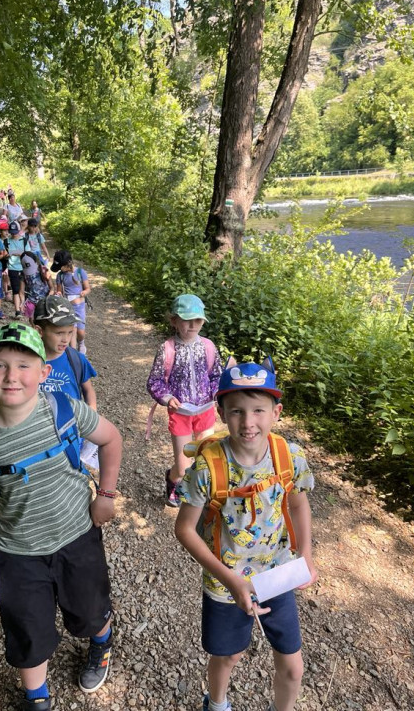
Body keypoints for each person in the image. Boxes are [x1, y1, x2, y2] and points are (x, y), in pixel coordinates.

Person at [0, 323, 122, 710]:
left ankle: (101, 643)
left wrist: (106, 495)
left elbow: (111, 438)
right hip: (19, 552)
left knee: (90, 608)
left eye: (23, 365)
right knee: (27, 629)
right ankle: (37, 698)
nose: (11, 376)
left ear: (44, 372)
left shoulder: (64, 409)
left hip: (77, 535)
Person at [175, 360, 317, 711]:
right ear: (221, 413)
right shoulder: (207, 468)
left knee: (293, 667)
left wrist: (306, 556)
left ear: (276, 413)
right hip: (225, 583)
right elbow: (184, 528)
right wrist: (231, 580)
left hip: (277, 574)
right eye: (237, 411)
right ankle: (217, 703)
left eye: (258, 410)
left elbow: (298, 505)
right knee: (228, 656)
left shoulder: (289, 458)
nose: (248, 422)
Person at [147, 294, 222, 506]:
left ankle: (197, 492)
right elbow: (154, 381)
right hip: (180, 414)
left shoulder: (208, 346)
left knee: (205, 457)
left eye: (197, 320)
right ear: (174, 321)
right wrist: (167, 397)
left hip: (205, 411)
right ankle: (173, 479)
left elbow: (216, 376)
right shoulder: (167, 349)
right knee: (182, 467)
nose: (192, 325)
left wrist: (217, 393)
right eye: (187, 320)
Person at [35, 295, 100, 469]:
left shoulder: (76, 359)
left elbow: (88, 390)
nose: (66, 339)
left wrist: (91, 416)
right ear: (39, 331)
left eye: (70, 332)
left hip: (71, 435)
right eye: (59, 333)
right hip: (38, 436)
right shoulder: (28, 362)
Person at [51, 250, 91, 354]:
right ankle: (73, 353)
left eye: (61, 267)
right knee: (72, 329)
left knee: (80, 332)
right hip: (67, 306)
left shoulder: (80, 272)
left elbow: (87, 288)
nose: (60, 269)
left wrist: (84, 292)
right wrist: (58, 293)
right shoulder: (60, 275)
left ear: (67, 263)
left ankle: (81, 342)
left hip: (79, 306)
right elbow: (59, 290)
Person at [21, 249, 53, 322]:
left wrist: (50, 295)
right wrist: (22, 303)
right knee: (32, 320)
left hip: (44, 301)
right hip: (31, 301)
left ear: (36, 262)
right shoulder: (23, 274)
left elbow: (52, 287)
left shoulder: (44, 270)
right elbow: (21, 292)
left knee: (44, 321)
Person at [7, 221, 26, 318]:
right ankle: (17, 311)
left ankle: (23, 308)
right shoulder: (7, 241)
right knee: (15, 289)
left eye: (15, 232)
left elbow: (27, 253)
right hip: (12, 267)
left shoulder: (24, 240)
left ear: (19, 230)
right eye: (12, 232)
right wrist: (18, 252)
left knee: (22, 290)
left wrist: (13, 252)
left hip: (24, 267)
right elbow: (5, 253)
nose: (13, 234)